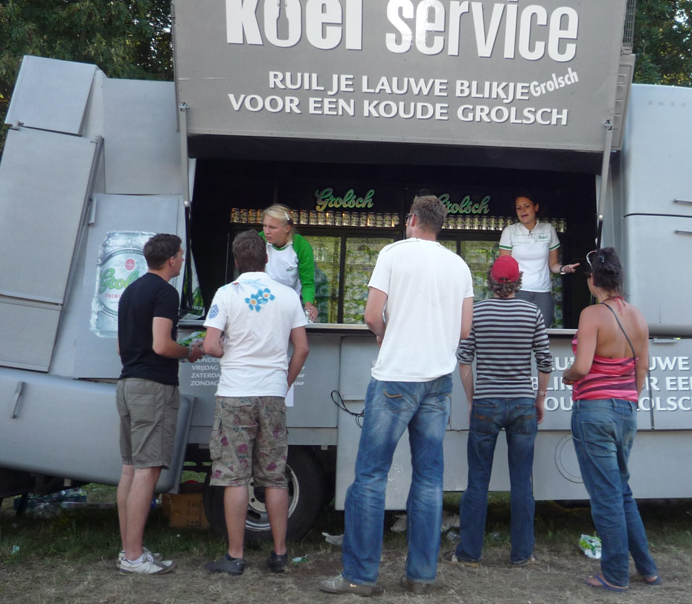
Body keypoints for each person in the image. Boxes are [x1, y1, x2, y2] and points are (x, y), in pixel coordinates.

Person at [320, 195, 473, 597]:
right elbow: (464, 330)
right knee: (429, 479)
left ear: (412, 220)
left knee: (371, 477)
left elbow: (372, 315)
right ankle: (421, 575)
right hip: (438, 382)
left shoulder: (393, 253)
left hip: (394, 379)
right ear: (439, 225)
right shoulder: (459, 265)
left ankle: (359, 576)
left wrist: (385, 334)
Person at [202, 231, 310, 575]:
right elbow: (302, 348)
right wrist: (284, 381)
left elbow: (210, 345)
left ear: (236, 261)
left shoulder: (226, 294)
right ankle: (279, 554)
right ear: (266, 258)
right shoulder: (288, 296)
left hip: (235, 392)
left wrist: (226, 349)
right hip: (272, 393)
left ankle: (235, 557)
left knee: (235, 476)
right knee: (274, 475)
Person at [561, 248, 661, 591]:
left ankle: (615, 575)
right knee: (622, 492)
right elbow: (642, 368)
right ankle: (647, 569)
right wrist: (628, 399)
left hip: (595, 411)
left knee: (605, 497)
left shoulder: (592, 315)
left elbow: (582, 367)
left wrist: (567, 376)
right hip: (626, 411)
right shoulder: (638, 317)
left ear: (593, 280)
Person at [446, 255, 552, 568]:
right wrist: (540, 398)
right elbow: (545, 361)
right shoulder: (532, 312)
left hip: (486, 404)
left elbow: (464, 360)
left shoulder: (477, 312)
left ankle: (469, 553)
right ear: (518, 281)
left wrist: (471, 400)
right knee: (522, 482)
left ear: (491, 281)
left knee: (478, 481)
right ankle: (522, 554)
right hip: (522, 404)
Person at [115, 233, 203, 575]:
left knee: (130, 468)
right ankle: (134, 557)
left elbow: (121, 347)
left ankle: (129, 550)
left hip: (127, 383)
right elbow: (162, 345)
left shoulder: (131, 291)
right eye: (180, 255)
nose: (182, 260)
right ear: (171, 260)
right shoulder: (165, 292)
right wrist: (189, 352)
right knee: (147, 470)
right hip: (153, 388)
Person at [498, 192, 578, 327]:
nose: (523, 211)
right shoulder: (510, 231)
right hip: (517, 292)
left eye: (526, 206)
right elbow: (503, 265)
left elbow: (553, 264)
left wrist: (563, 268)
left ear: (536, 207)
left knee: (543, 332)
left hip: (543, 293)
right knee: (518, 333)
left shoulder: (548, 229)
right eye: (519, 208)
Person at [261, 203, 319, 322]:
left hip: (289, 303)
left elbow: (307, 282)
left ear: (287, 228)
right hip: (262, 301)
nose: (266, 231)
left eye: (272, 227)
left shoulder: (301, 245)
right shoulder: (259, 240)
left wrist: (309, 305)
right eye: (264, 226)